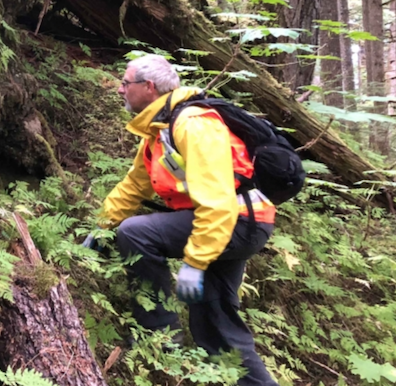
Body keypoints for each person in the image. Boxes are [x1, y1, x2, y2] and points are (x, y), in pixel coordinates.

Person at [95, 54, 278, 386]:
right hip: (232, 223)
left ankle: (159, 338)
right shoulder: (160, 129)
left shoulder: (192, 124)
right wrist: (99, 226)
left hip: (235, 221)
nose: (120, 90)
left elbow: (218, 201)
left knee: (136, 233)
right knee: (214, 319)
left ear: (148, 87)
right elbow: (135, 184)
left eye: (125, 83)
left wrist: (195, 261)